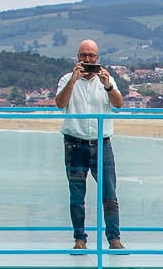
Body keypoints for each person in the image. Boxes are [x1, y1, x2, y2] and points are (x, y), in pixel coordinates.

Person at [54, 40, 126, 251]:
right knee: (77, 194)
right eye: (83, 55)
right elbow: (60, 103)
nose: (87, 60)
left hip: (101, 142)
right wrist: (73, 81)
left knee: (109, 193)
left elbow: (118, 103)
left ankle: (114, 238)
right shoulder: (67, 79)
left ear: (98, 58)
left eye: (91, 56)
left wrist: (108, 85)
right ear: (77, 57)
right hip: (74, 143)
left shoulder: (107, 80)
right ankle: (79, 239)